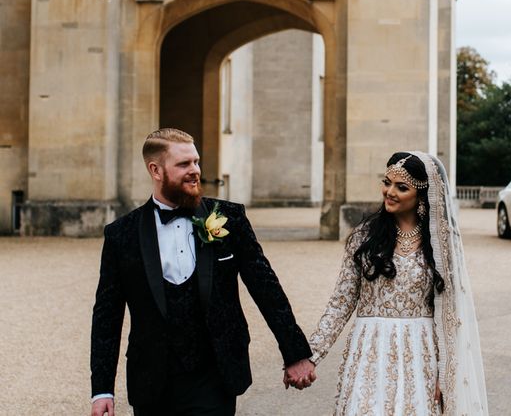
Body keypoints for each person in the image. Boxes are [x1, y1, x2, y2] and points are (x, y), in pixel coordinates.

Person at [90, 128, 316, 416]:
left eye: (196, 162)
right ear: (155, 170)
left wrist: (295, 353)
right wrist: (102, 390)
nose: (195, 170)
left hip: (215, 375)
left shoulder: (229, 218)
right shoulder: (121, 235)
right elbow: (106, 316)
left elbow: (266, 287)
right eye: (184, 164)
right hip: (152, 380)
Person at [308, 151, 488, 415]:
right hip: (370, 350)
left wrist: (446, 373)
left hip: (420, 353)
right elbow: (341, 302)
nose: (389, 192)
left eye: (401, 187)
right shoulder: (364, 237)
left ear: (422, 196)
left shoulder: (442, 244)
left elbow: (452, 315)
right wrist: (310, 355)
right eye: (386, 182)